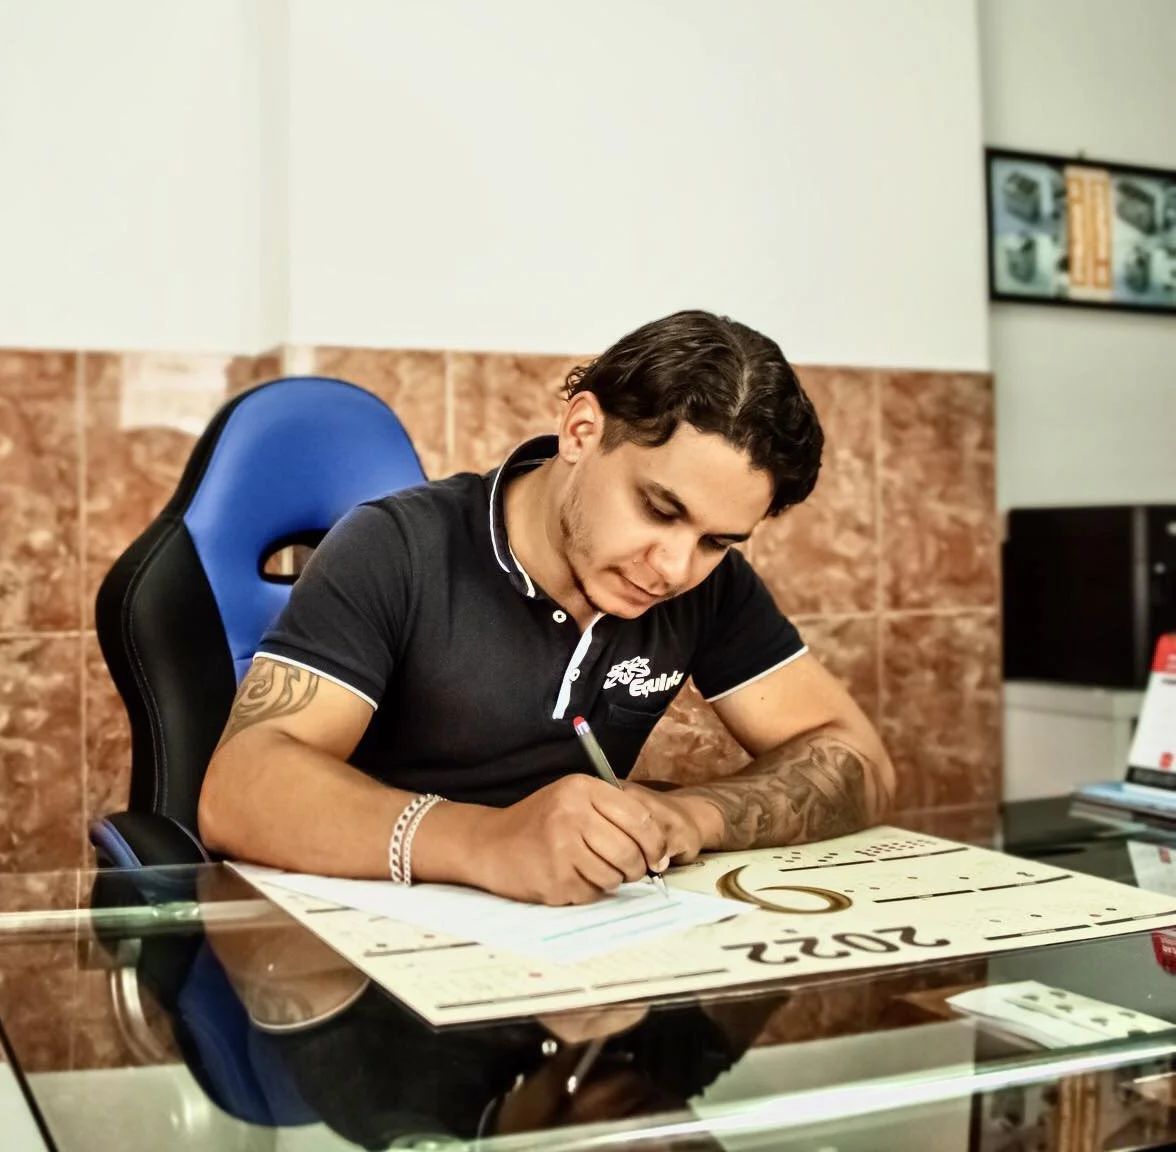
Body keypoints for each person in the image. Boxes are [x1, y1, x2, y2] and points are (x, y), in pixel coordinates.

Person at [198, 309, 895, 904]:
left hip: (567, 958)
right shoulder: (397, 547)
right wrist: (485, 841)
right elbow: (240, 789)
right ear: (582, 431)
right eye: (658, 508)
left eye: (717, 540)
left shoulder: (710, 583)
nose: (675, 567)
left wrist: (694, 816)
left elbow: (858, 759)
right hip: (368, 954)